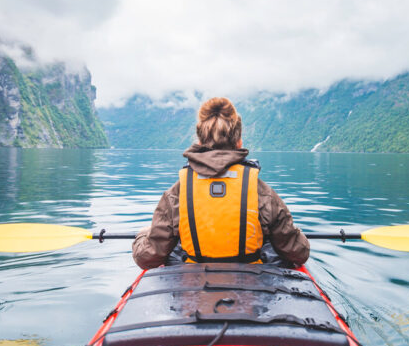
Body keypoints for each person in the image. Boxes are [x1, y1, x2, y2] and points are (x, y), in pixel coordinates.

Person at [132, 97, 310, 269]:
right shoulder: (262, 192)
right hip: (249, 287)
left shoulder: (176, 194)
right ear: (239, 142)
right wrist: (297, 234)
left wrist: (143, 235)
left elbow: (148, 258)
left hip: (194, 288)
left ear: (200, 142)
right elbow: (298, 253)